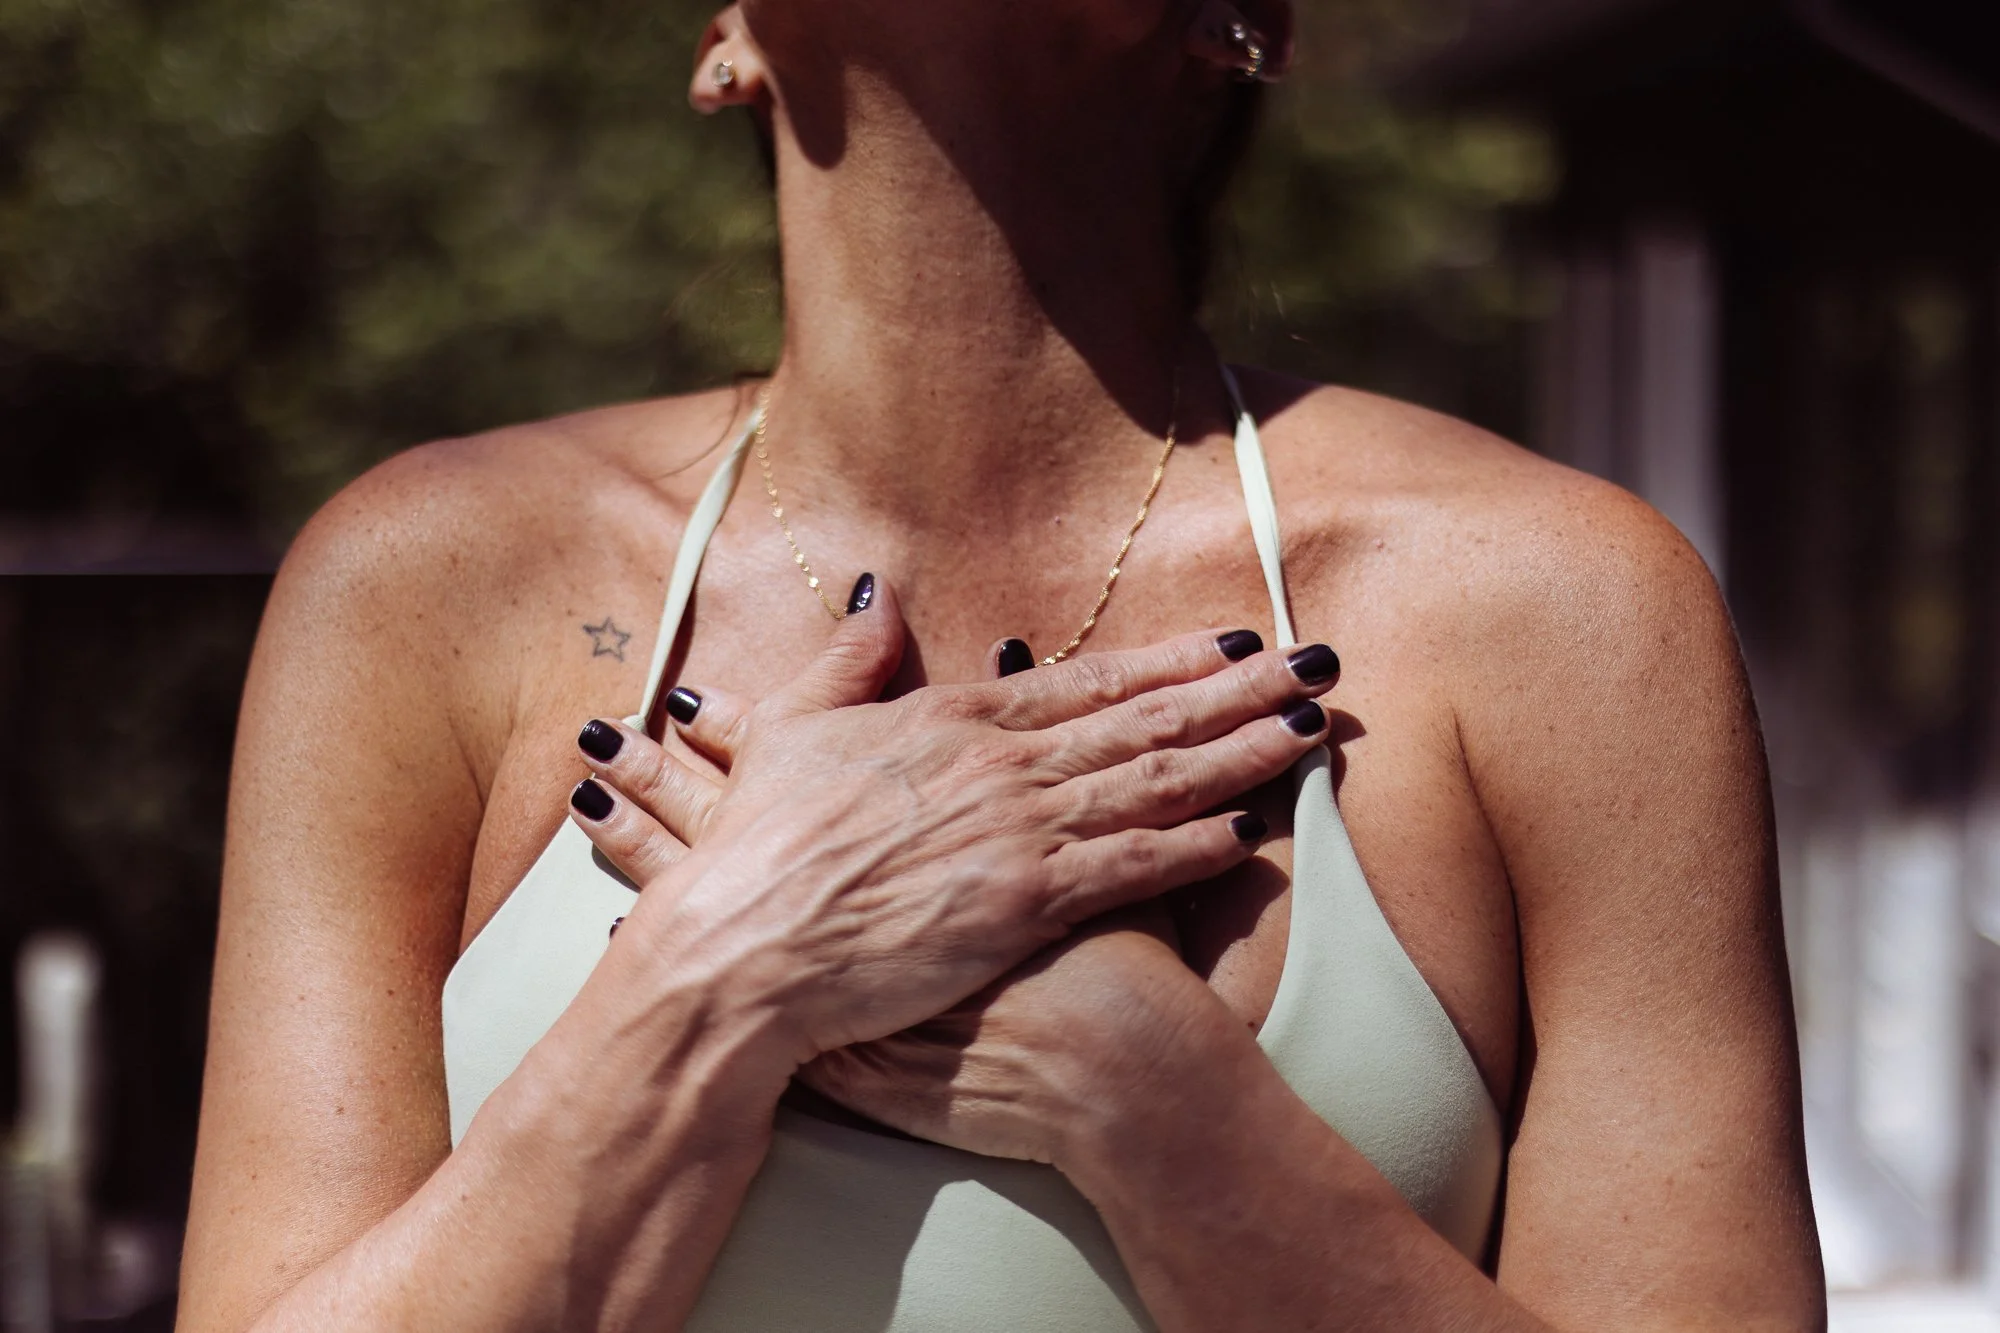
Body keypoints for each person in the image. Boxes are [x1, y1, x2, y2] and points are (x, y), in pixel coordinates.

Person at [177, 2, 1825, 1329]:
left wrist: (1146, 1095)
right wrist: (729, 975)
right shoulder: (429, 580)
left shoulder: (1558, 609)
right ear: (725, 38)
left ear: (1240, 19)